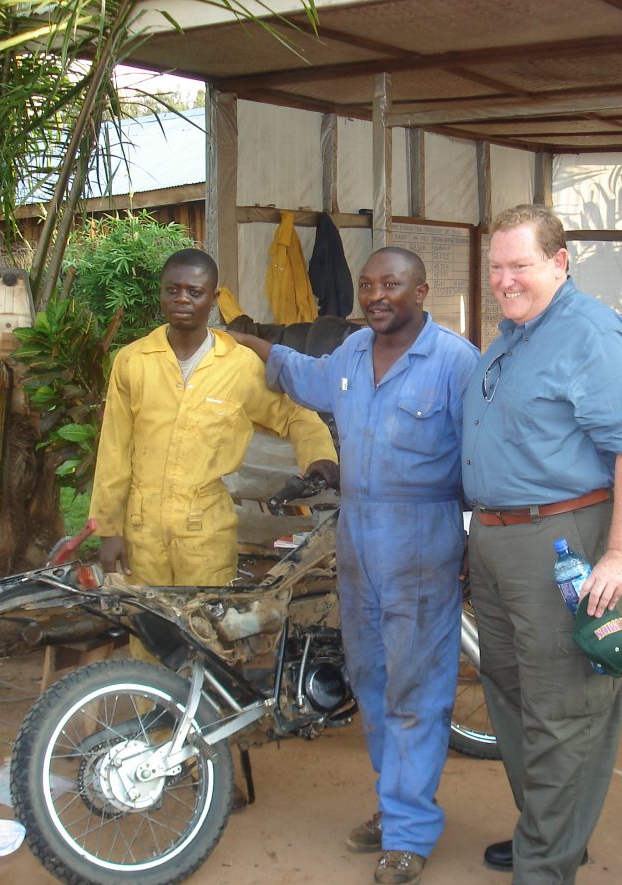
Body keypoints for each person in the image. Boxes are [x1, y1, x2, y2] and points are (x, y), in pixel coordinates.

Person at [232, 247, 478, 885]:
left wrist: (475, 544)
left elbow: (480, 462)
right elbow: (299, 373)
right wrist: (247, 341)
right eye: (367, 285)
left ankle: (409, 831)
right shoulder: (348, 355)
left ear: (421, 291)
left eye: (390, 284)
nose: (375, 295)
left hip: (422, 539)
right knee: (371, 679)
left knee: (415, 688)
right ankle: (397, 806)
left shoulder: (455, 361)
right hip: (359, 538)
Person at [461, 205, 622, 883]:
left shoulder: (590, 333)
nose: (504, 280)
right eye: (496, 267)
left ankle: (545, 865)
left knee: (564, 706)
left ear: (559, 262)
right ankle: (548, 836)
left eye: (519, 265)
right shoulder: (515, 335)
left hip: (565, 543)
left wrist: (621, 556)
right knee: (512, 695)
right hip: (497, 542)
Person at [89, 247, 338, 588]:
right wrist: (108, 530)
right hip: (141, 530)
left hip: (206, 530)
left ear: (214, 297)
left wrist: (320, 459)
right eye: (172, 289)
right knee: (148, 629)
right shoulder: (134, 362)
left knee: (206, 630)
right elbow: (113, 450)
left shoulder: (239, 365)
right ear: (160, 292)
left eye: (195, 292)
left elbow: (295, 414)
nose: (182, 299)